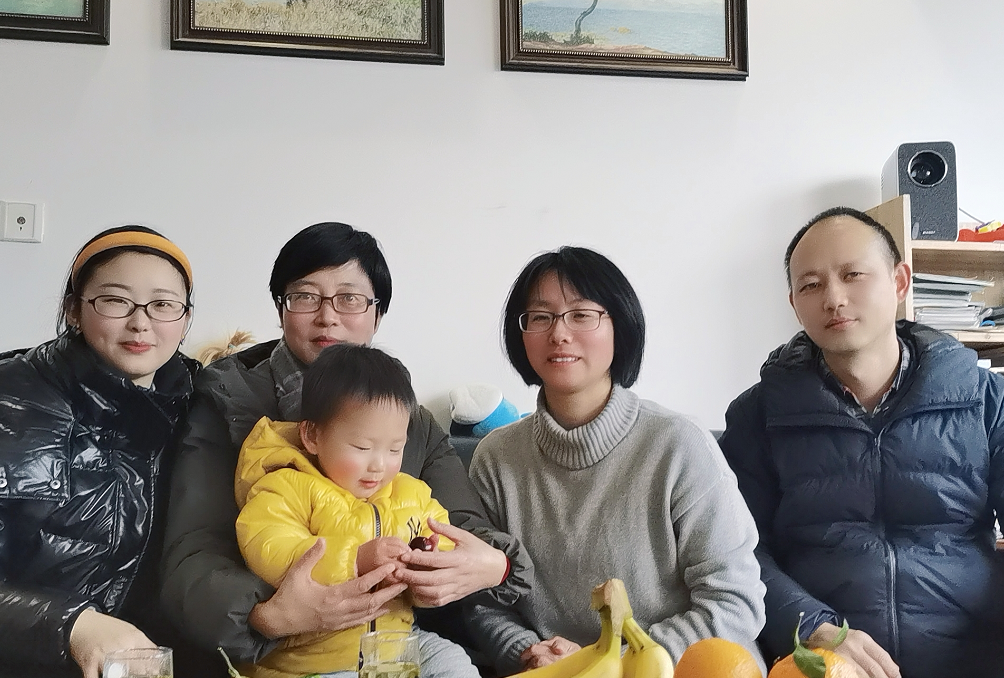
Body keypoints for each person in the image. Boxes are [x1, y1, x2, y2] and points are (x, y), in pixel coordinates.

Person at [161, 222, 531, 668]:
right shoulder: (224, 400)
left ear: (377, 314)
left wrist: (495, 564)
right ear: (281, 308)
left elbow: (461, 525)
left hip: (391, 643)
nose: (327, 316)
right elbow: (194, 552)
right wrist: (267, 616)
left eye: (350, 299)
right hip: (279, 656)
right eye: (305, 296)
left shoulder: (409, 419)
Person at [719, 207, 1004, 678]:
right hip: (821, 663)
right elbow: (737, 551)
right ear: (794, 303)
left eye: (853, 275)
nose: (834, 298)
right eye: (811, 285)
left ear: (899, 281)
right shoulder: (759, 415)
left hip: (973, 657)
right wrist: (812, 627)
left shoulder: (985, 400)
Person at [466, 246, 766, 677]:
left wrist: (619, 664)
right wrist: (527, 651)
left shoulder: (678, 445)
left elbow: (735, 601)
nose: (559, 333)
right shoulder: (495, 459)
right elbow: (480, 598)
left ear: (619, 327)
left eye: (581, 314)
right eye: (540, 316)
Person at [0, 226, 201, 678]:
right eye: (116, 300)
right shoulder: (11, 401)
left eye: (163, 305)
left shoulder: (201, 407)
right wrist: (70, 625)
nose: (141, 323)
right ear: (73, 309)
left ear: (185, 319)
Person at [234, 343, 478, 678]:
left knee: (453, 662)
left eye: (395, 449)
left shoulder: (411, 493)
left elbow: (443, 537)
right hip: (312, 660)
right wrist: (355, 560)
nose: (379, 465)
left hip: (395, 644)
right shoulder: (286, 486)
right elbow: (269, 549)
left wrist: (428, 567)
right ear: (312, 435)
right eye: (362, 447)